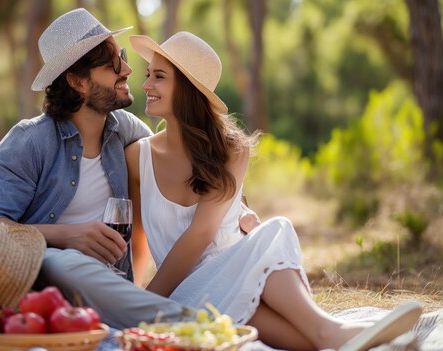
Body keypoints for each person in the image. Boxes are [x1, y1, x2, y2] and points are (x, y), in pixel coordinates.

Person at [125, 31, 423, 350]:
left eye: (159, 77)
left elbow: (202, 233)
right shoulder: (137, 157)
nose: (145, 85)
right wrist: (138, 304)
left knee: (298, 322)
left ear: (186, 88)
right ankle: (339, 331)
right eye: (148, 75)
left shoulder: (232, 149)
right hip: (192, 296)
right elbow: (138, 237)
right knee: (274, 243)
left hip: (241, 277)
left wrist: (145, 304)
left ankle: (340, 334)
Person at [0, 8, 259, 328]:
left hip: (114, 287)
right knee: (64, 262)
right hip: (48, 285)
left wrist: (237, 207)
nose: (128, 69)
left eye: (120, 55)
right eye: (112, 64)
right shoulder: (29, 142)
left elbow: (188, 170)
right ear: (78, 81)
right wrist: (67, 236)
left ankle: (173, 317)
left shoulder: (127, 132)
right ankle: (203, 325)